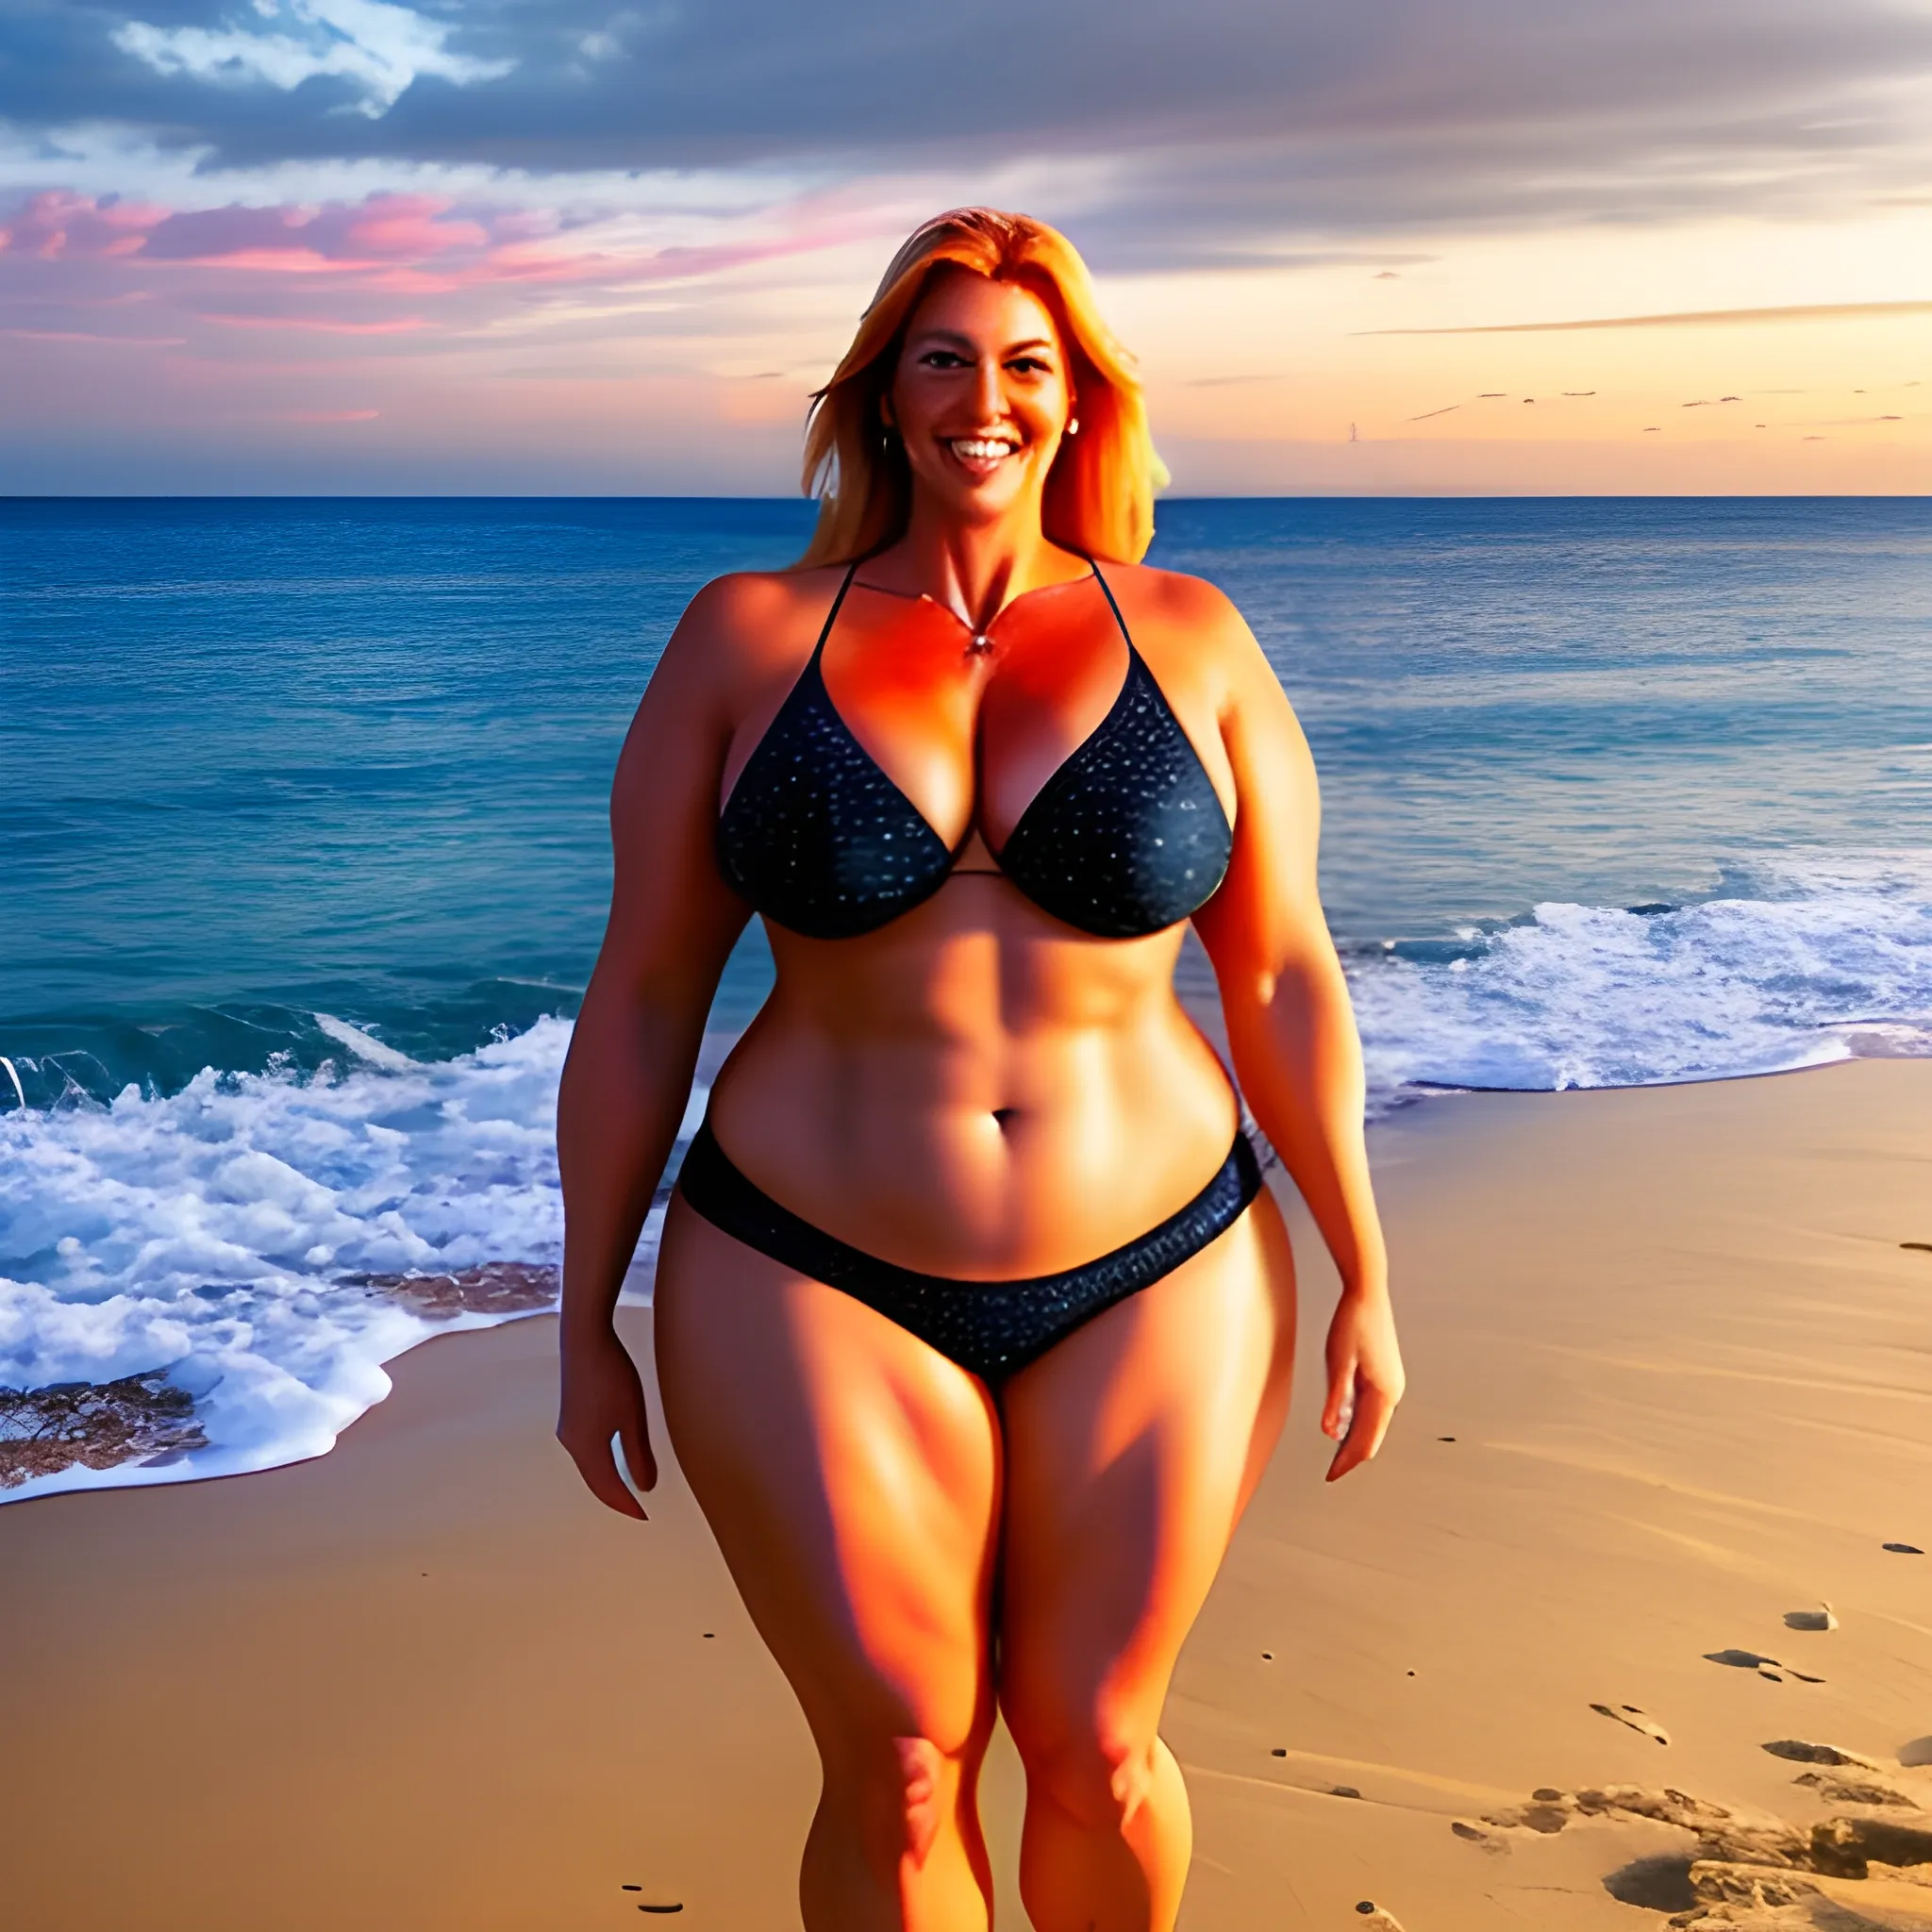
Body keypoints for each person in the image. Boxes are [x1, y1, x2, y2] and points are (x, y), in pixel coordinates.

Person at [555, 208, 1404, 1932]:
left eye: (1027, 361)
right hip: (808, 1265)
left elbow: (1285, 976)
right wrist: (586, 1315)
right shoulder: (744, 636)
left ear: (1083, 399)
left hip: (1163, 1255)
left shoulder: (1197, 635)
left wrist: (1367, 1270)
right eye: (942, 358)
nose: (984, 397)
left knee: (1096, 1746)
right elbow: (644, 991)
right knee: (902, 1762)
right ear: (881, 396)